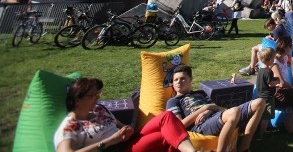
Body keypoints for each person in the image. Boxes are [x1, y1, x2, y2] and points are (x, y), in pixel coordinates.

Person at [55, 77, 196, 152]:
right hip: (117, 149)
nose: (97, 98)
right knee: (164, 138)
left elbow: (121, 126)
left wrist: (127, 129)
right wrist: (111, 140)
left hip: (127, 140)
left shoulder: (99, 109)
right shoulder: (69, 128)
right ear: (78, 100)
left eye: (98, 94)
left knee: (167, 117)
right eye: (93, 95)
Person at [167, 65, 264, 152]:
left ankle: (244, 148)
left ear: (190, 79)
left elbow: (216, 107)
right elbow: (179, 125)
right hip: (200, 125)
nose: (179, 82)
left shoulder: (200, 93)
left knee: (260, 102)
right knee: (234, 112)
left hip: (214, 116)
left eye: (183, 78)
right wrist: (205, 108)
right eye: (176, 80)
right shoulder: (173, 101)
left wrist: (208, 110)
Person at [254, 47, 279, 138]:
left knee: (261, 115)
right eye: (273, 57)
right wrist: (277, 81)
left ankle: (260, 131)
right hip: (268, 97)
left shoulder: (261, 69)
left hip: (260, 95)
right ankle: (261, 134)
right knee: (266, 116)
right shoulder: (268, 71)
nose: (274, 59)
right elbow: (270, 84)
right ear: (270, 59)